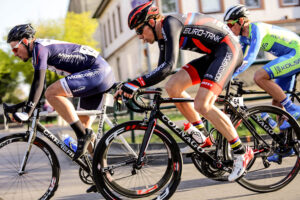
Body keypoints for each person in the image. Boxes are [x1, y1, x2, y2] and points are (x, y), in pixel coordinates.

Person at [115, 1, 254, 181]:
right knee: (173, 86)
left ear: (151, 21)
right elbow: (161, 71)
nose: (140, 37)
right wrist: (135, 85)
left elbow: (168, 66)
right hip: (215, 54)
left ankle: (241, 153)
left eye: (139, 30)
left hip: (229, 50)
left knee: (202, 104)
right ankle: (203, 136)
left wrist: (136, 83)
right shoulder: (163, 35)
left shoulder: (169, 24)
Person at [7, 24, 115, 162]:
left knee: (51, 93)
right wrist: (20, 106)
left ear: (26, 41)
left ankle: (82, 135)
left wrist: (27, 112)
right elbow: (38, 88)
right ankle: (103, 176)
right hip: (98, 75)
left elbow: (38, 82)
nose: (15, 54)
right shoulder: (40, 51)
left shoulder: (40, 48)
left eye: (15, 49)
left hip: (97, 72)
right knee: (84, 128)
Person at [223, 4, 300, 162]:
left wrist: (228, 77)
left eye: (231, 24)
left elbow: (250, 58)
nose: (229, 28)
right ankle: (286, 147)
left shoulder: (256, 29)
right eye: (227, 25)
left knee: (259, 76)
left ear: (242, 21)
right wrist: (224, 73)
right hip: (289, 55)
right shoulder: (244, 37)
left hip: (296, 53)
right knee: (276, 103)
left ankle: (293, 109)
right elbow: (239, 59)